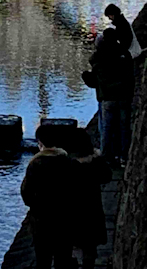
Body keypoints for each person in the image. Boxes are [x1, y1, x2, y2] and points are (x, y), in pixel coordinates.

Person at [20, 123, 79, 269]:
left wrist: (35, 206)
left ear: (40, 142)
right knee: (63, 256)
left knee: (43, 258)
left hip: (42, 218)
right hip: (65, 217)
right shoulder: (68, 161)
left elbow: (26, 192)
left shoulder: (36, 163)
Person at [87, 27, 133, 165]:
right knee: (124, 127)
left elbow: (96, 77)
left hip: (107, 97)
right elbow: (130, 75)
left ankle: (107, 156)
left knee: (106, 128)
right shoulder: (124, 53)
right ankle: (123, 156)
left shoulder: (100, 56)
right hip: (124, 96)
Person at [72, 129, 112, 269]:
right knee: (90, 247)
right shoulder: (95, 162)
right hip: (92, 208)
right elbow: (107, 176)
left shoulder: (69, 165)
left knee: (71, 243)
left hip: (72, 210)